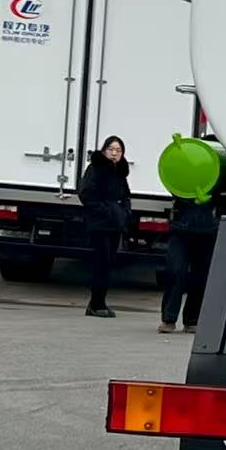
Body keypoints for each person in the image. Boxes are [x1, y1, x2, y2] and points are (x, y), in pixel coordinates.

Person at [78, 135, 130, 318]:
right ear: (104, 150)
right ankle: (96, 304)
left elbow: (125, 195)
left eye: (118, 150)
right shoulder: (95, 169)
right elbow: (86, 194)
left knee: (108, 263)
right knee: (101, 262)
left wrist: (124, 212)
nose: (114, 153)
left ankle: (97, 302)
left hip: (115, 224)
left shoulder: (120, 172)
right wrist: (105, 210)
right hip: (99, 224)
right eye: (111, 149)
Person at [159, 196, 217, 334]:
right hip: (181, 228)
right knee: (176, 271)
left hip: (207, 230)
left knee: (201, 277)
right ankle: (169, 318)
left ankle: (192, 320)